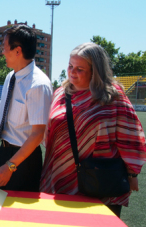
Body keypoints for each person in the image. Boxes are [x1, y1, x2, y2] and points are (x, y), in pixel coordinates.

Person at [40, 43, 146, 217]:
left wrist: (132, 172)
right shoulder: (59, 93)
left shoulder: (112, 95)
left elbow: (130, 134)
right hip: (59, 175)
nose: (72, 72)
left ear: (95, 71)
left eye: (80, 69)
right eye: (70, 66)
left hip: (101, 180)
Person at [0, 25, 53, 191]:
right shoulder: (11, 76)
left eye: (4, 48)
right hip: (4, 152)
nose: (2, 52)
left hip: (24, 161)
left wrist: (10, 166)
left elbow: (38, 134)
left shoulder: (38, 85)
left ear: (18, 51)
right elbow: (3, 108)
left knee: (19, 213)